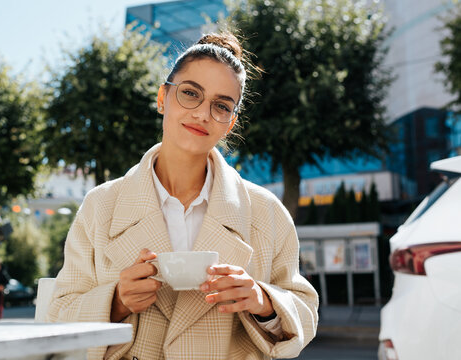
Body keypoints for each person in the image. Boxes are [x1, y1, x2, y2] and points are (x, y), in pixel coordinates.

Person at [47, 31, 319, 359]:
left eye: (221, 105)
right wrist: (117, 301)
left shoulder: (267, 212)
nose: (203, 114)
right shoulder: (101, 206)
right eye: (190, 93)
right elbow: (56, 315)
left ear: (230, 123)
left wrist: (262, 302)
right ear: (163, 97)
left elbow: (304, 311)